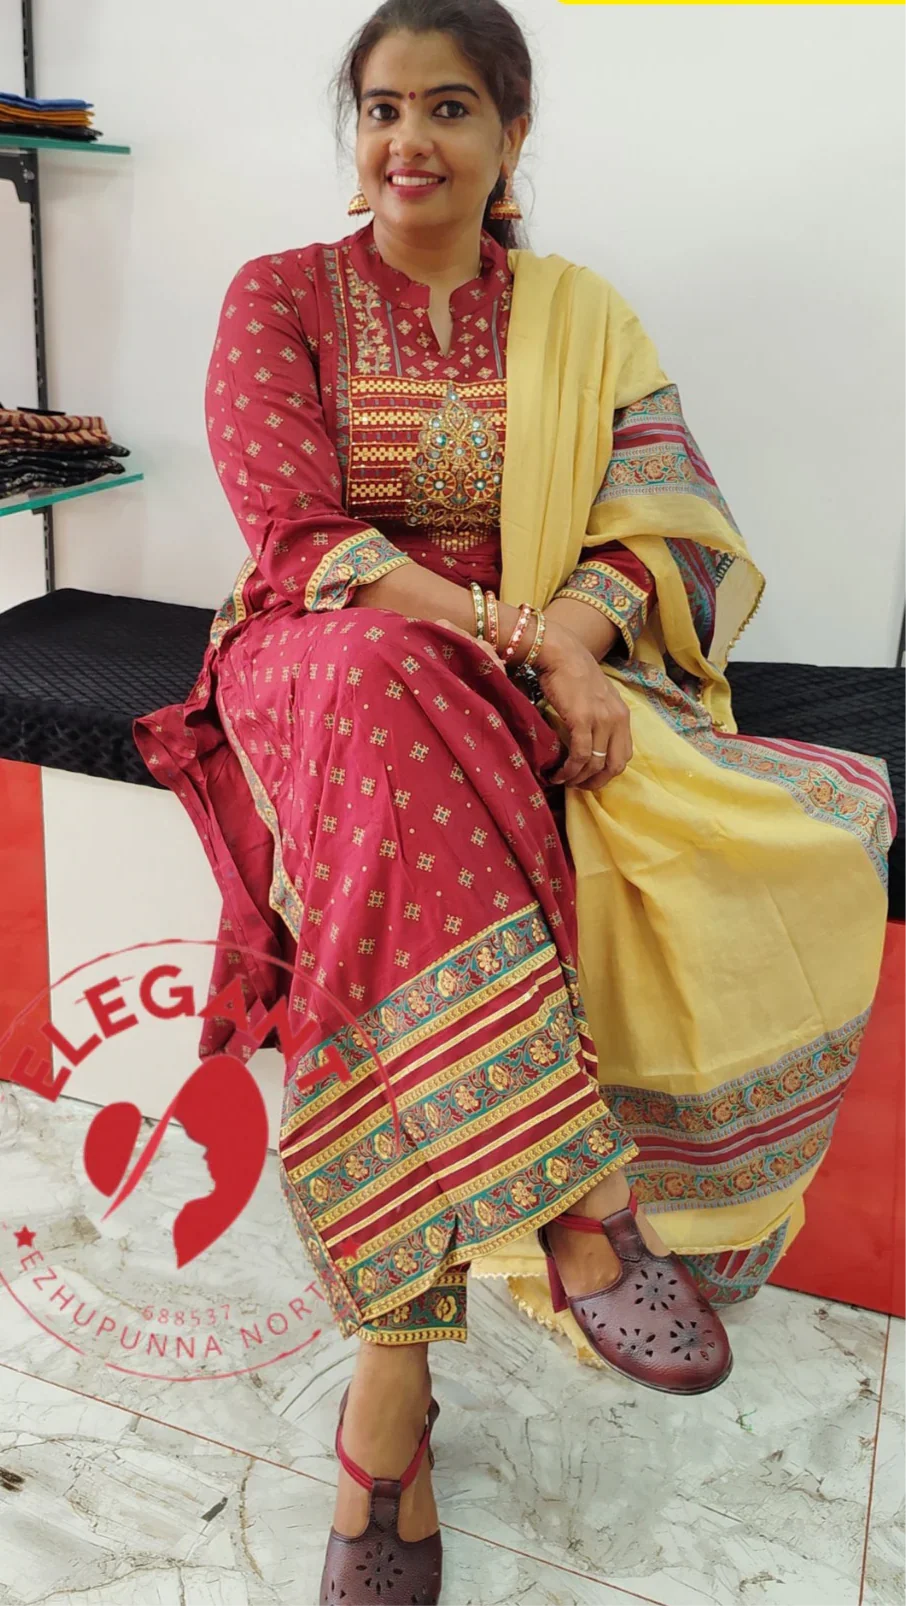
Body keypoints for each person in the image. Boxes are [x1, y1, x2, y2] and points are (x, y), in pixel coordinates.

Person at [134, 3, 894, 1600]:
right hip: (316, 662)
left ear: (512, 132)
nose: (406, 141)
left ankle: (386, 1416)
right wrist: (508, 634)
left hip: (509, 690)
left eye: (447, 108)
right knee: (380, 680)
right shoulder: (281, 296)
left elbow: (664, 522)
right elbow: (297, 538)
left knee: (391, 873)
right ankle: (583, 1196)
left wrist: (572, 642)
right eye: (379, 108)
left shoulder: (578, 315)